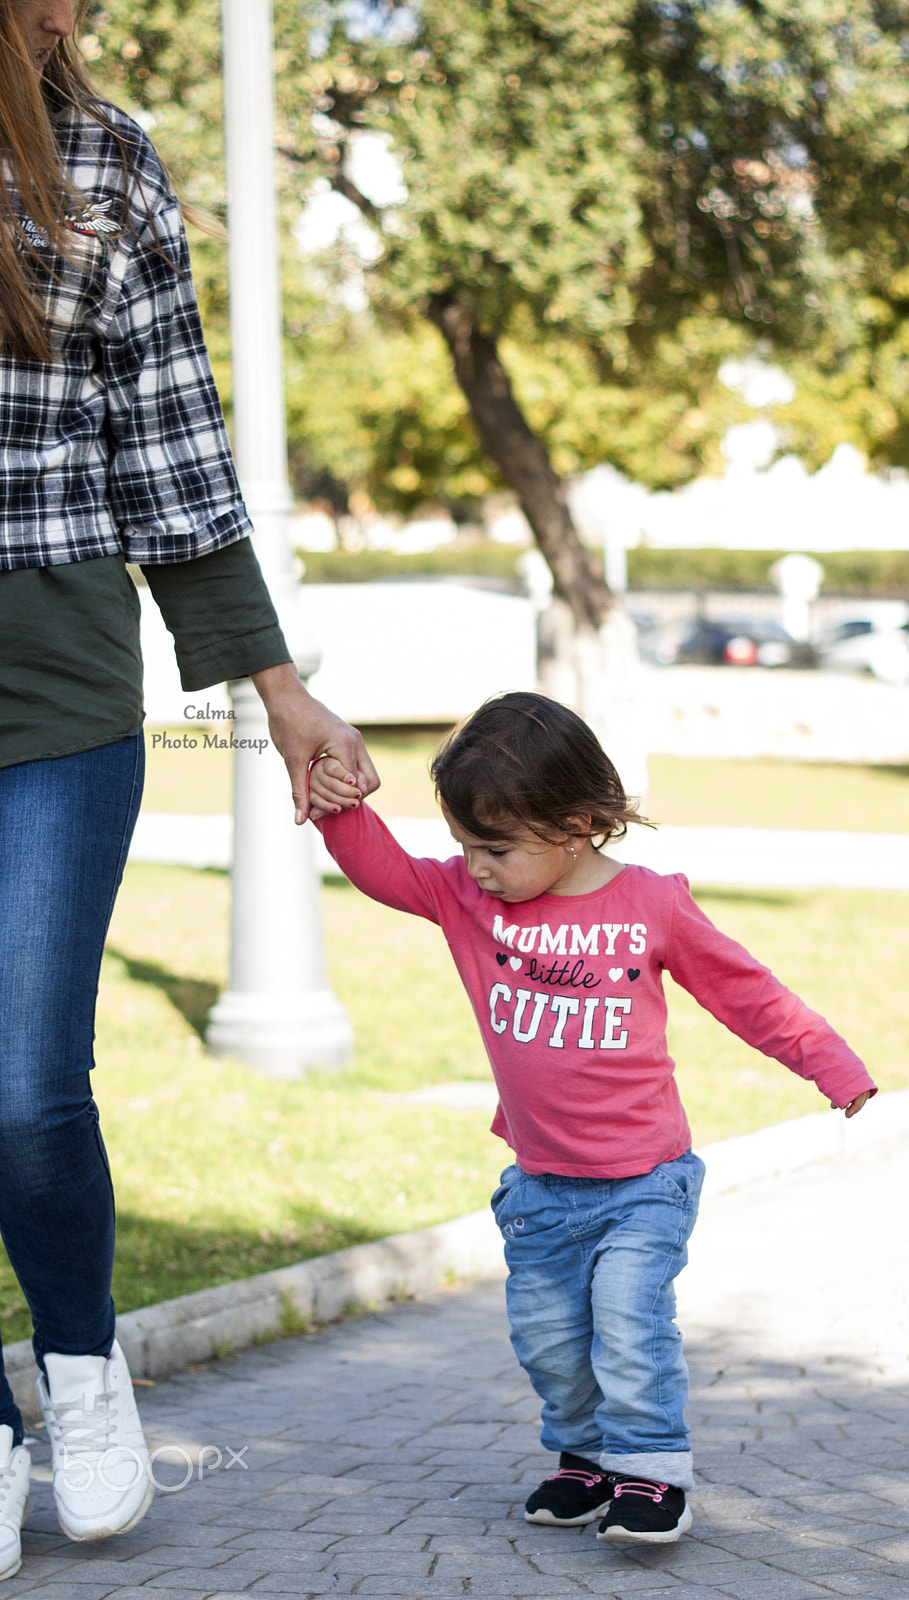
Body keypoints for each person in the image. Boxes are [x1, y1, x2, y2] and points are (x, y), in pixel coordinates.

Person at [0, 0, 376, 1578]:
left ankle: (83, 1375)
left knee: (23, 1083)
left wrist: (275, 690)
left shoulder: (103, 160)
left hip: (54, 677)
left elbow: (172, 449)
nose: (76, 8)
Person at [309, 690, 875, 1546]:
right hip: (540, 1187)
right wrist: (339, 810)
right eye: (464, 846)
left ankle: (651, 1472)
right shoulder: (471, 900)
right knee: (547, 1341)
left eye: (494, 847)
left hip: (645, 1181)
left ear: (574, 826)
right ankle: (583, 1461)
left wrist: (832, 1065)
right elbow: (386, 871)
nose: (474, 865)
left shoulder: (651, 905)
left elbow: (745, 993)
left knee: (626, 1319)